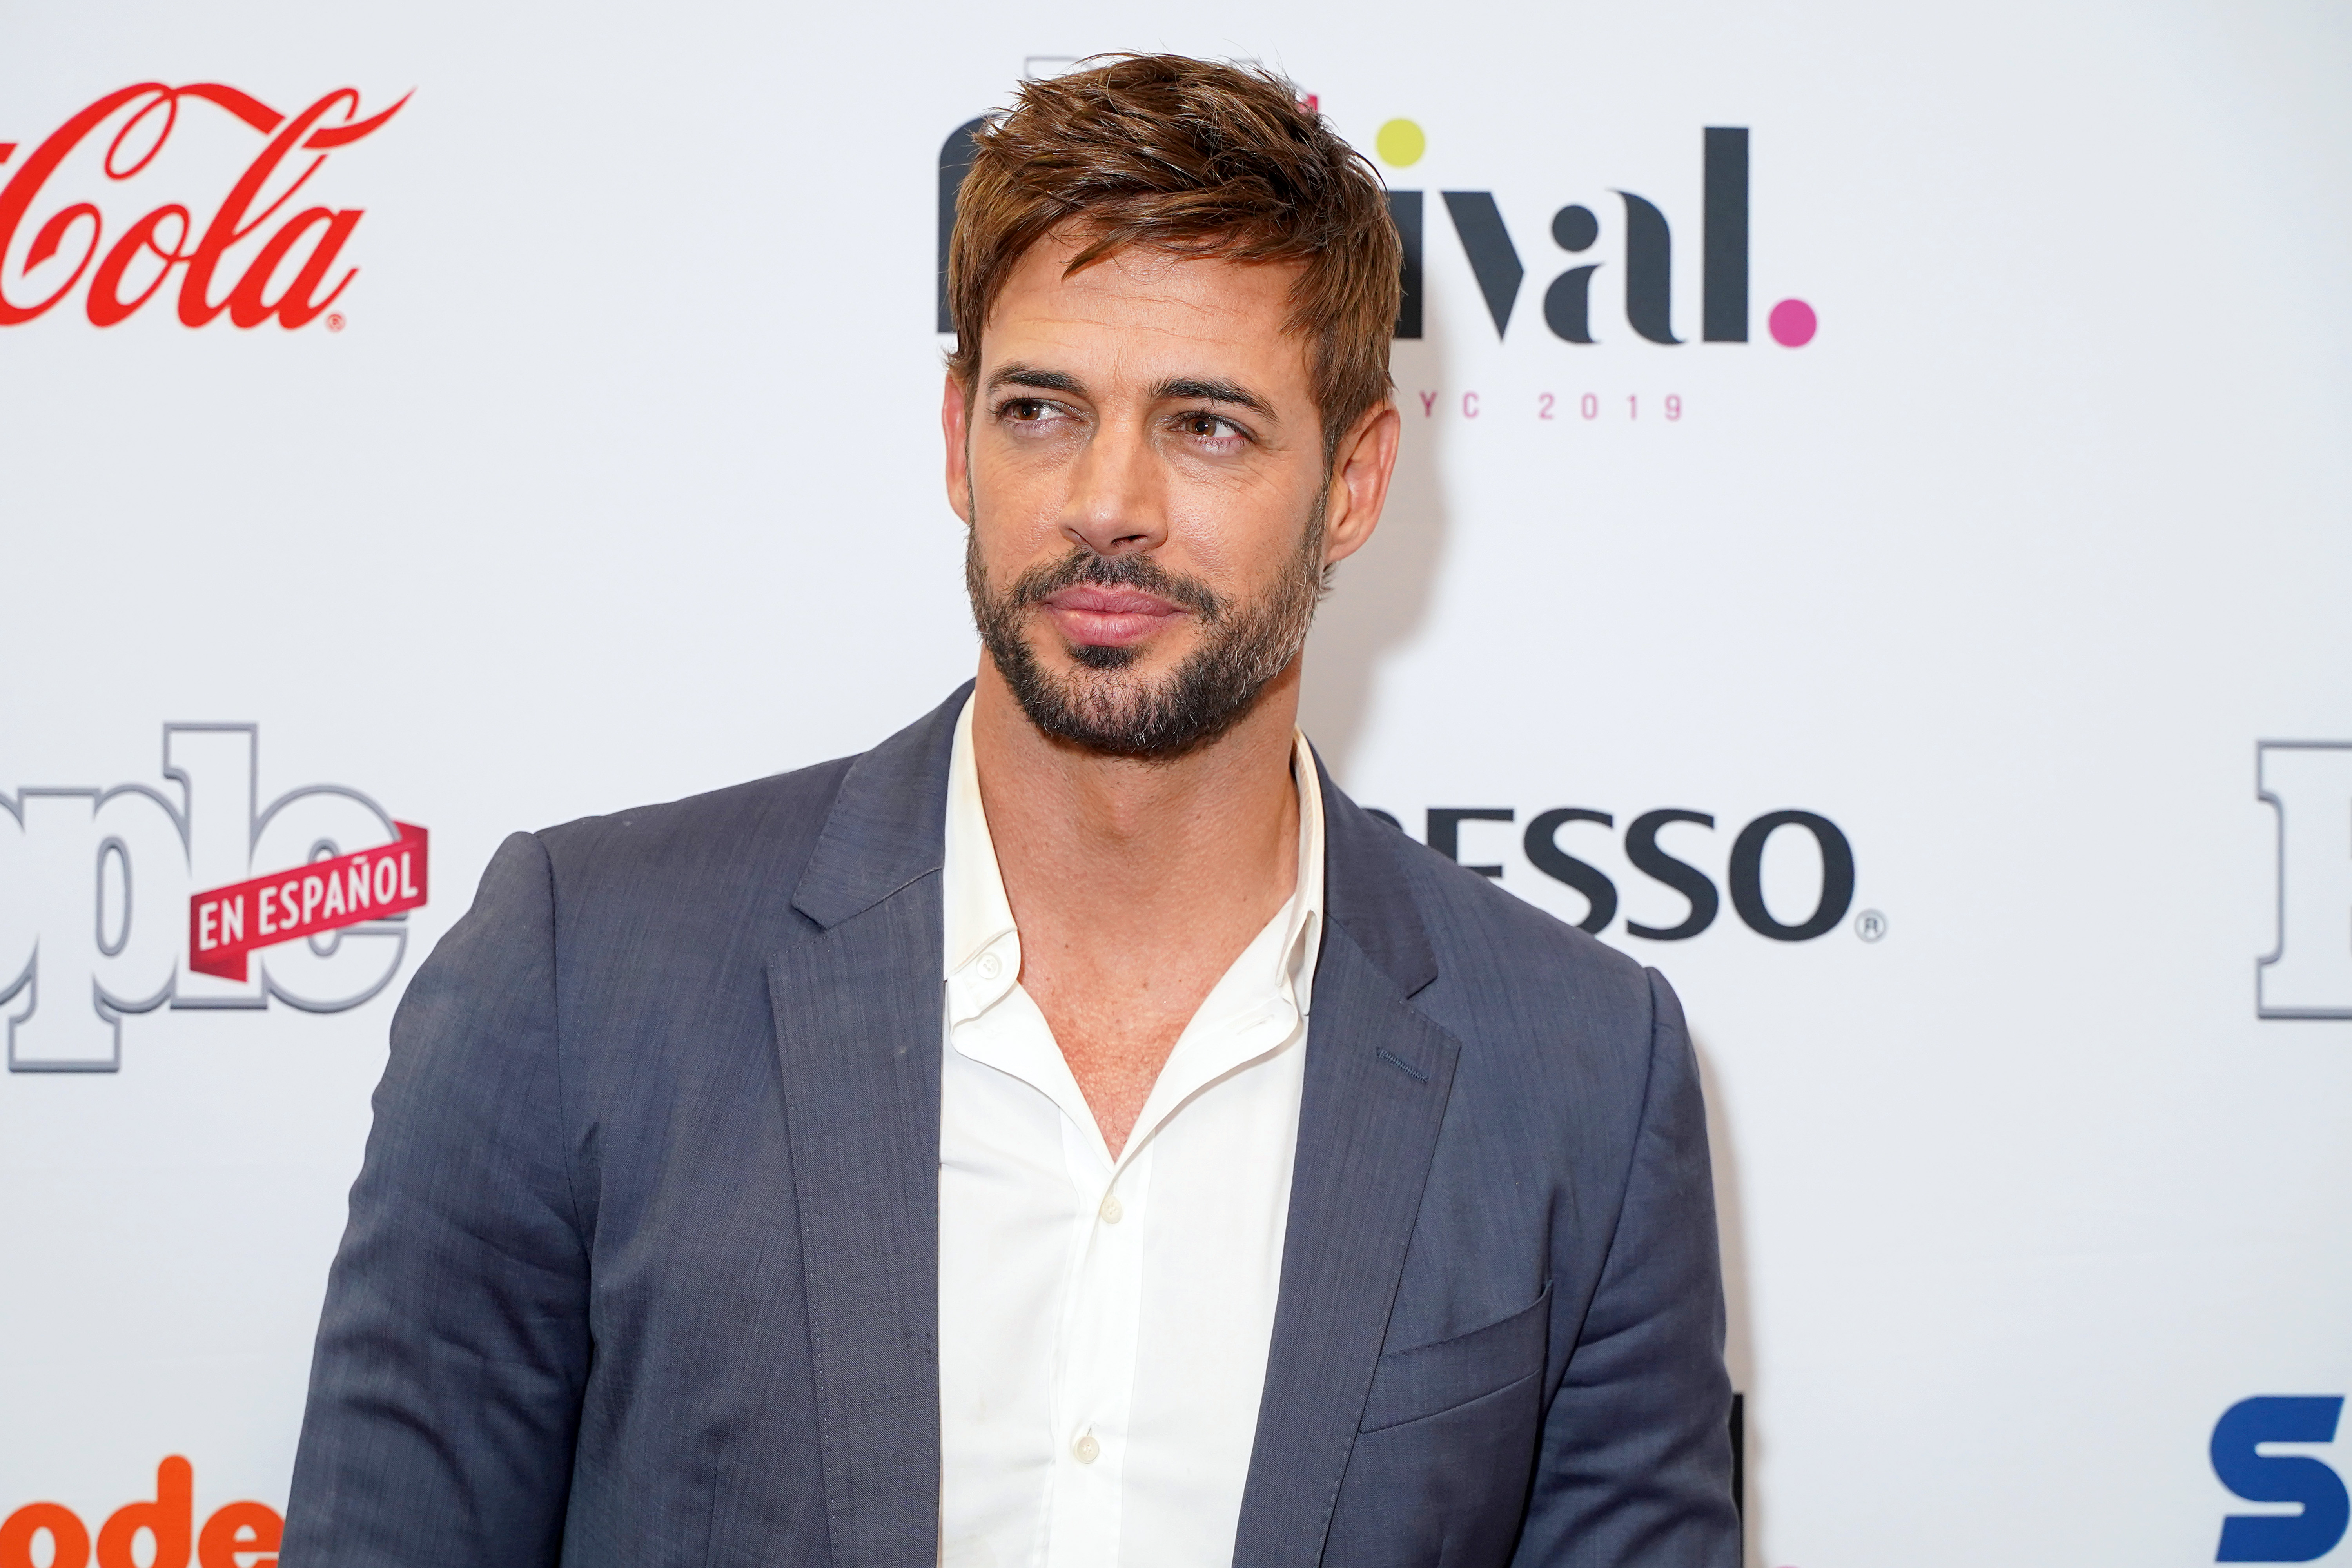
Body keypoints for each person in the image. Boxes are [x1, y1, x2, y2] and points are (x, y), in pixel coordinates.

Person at [280, 53, 1739, 1568]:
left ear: (1356, 482)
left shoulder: (1579, 1074)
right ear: (957, 436)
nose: (1108, 503)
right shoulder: (582, 975)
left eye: (1208, 426)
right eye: (1042, 409)